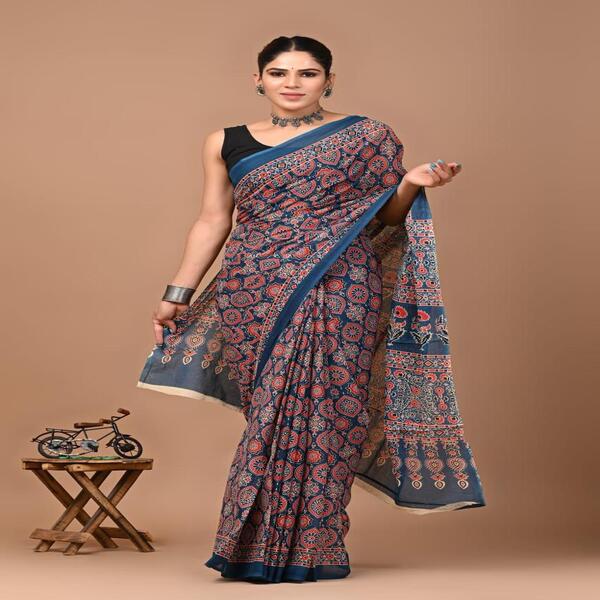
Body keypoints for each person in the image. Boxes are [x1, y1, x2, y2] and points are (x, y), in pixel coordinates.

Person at [137, 35, 486, 583]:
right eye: (279, 73)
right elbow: (213, 219)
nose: (292, 84)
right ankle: (253, 546)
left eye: (307, 73)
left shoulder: (366, 136)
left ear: (329, 80)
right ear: (258, 80)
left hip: (341, 282)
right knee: (270, 413)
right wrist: (176, 293)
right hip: (253, 287)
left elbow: (386, 217)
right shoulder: (224, 141)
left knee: (331, 410)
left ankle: (314, 547)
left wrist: (410, 184)